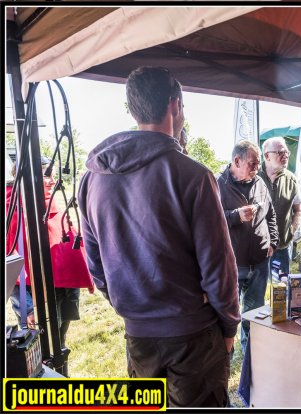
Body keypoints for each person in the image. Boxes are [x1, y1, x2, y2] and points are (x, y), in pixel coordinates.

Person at [78, 66, 240, 407]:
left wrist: (134, 307)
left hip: (138, 334)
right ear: (175, 105)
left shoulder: (92, 179)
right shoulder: (194, 176)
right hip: (193, 337)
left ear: (133, 108)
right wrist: (229, 327)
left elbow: (96, 266)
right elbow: (218, 268)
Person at [7, 157, 94, 350]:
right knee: (40, 349)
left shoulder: (49, 202)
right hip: (36, 294)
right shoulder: (12, 209)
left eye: (53, 175)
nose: (53, 181)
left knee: (60, 343)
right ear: (26, 176)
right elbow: (10, 267)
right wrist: (26, 307)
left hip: (63, 289)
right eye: (47, 175)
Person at [217, 140, 278, 353]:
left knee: (254, 312)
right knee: (230, 314)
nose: (257, 168)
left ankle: (250, 355)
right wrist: (236, 216)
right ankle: (226, 353)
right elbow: (210, 220)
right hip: (234, 263)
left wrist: (273, 241)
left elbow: (270, 214)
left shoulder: (259, 182)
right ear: (237, 161)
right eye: (253, 163)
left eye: (258, 163)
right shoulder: (218, 184)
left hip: (260, 261)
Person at [258, 137, 301, 275]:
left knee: (280, 286)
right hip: (256, 248)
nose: (286, 156)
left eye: (287, 152)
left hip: (282, 247)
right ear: (267, 156)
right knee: (257, 287)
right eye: (281, 152)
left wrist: (291, 231)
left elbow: (298, 210)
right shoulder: (253, 177)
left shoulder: (291, 179)